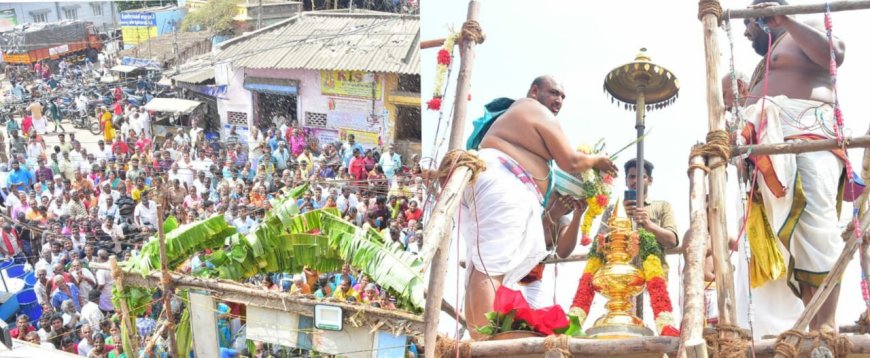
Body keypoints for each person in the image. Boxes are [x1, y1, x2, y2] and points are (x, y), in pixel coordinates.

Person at [459, 75, 617, 337]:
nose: (558, 100)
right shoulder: (531, 108)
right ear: (534, 91)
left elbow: (563, 247)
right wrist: (596, 161)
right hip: (502, 180)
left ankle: (478, 335)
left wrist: (577, 211)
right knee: (491, 265)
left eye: (563, 97)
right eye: (554, 93)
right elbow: (571, 161)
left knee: (483, 265)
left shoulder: (524, 117)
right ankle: (486, 339)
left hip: (496, 181)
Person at [737, 0, 846, 333]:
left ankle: (824, 326)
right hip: (769, 149)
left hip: (809, 136)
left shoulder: (805, 22)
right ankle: (796, 323)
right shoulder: (766, 61)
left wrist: (787, 19)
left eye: (749, 22)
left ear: (765, 12)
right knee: (783, 240)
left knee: (815, 227)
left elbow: (834, 54)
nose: (744, 32)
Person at [597, 159, 678, 250]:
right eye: (631, 177)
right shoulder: (612, 210)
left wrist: (648, 224)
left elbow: (672, 241)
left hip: (654, 263)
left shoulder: (663, 207)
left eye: (641, 176)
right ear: (626, 181)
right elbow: (597, 246)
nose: (635, 181)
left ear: (650, 180)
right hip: (620, 263)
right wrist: (618, 217)